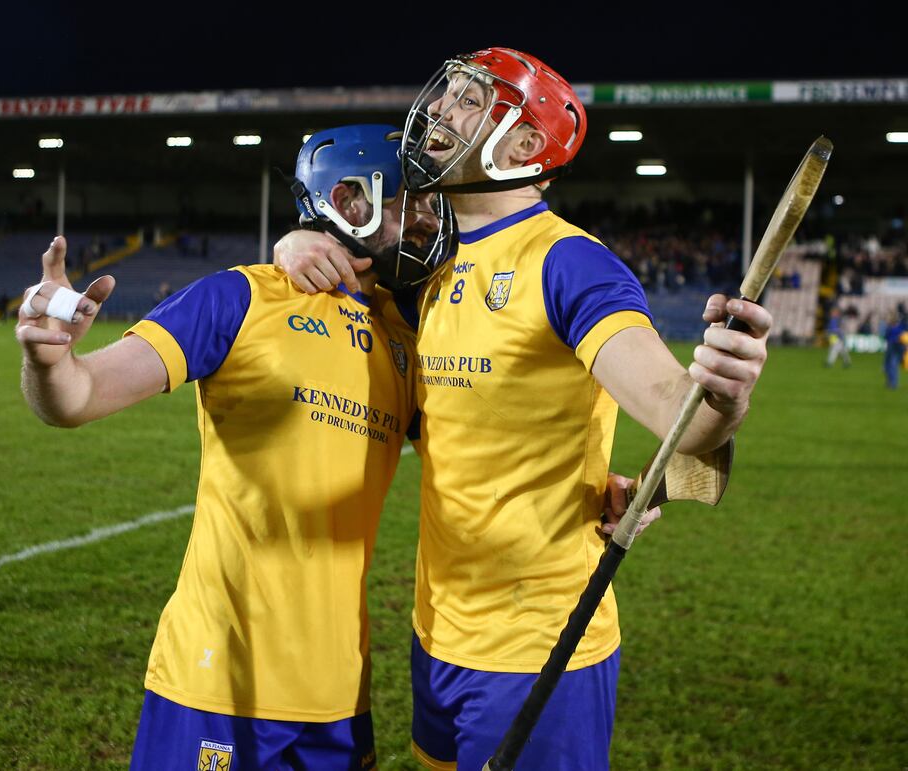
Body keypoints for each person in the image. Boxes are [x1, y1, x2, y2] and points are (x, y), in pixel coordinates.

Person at [276, 48, 772, 770]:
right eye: (446, 93)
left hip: (539, 647)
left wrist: (723, 393)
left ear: (524, 145)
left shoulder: (570, 263)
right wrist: (295, 242)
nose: (441, 109)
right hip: (436, 632)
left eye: (469, 100)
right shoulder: (431, 268)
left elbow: (679, 414)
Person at [15, 125, 455, 771]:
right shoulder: (240, 296)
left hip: (338, 690)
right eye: (408, 201)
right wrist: (51, 362)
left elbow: (481, 443)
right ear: (349, 198)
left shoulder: (407, 337)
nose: (425, 220)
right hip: (218, 678)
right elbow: (79, 397)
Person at [883, 311, 907, 389]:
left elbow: (886, 337)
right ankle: (891, 382)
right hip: (898, 346)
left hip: (894, 346)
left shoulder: (892, 327)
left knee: (891, 364)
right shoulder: (902, 326)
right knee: (891, 365)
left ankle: (892, 383)